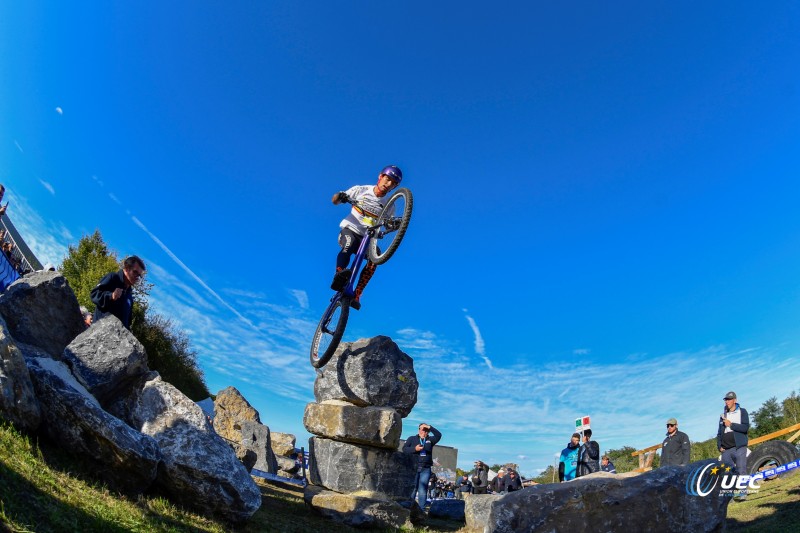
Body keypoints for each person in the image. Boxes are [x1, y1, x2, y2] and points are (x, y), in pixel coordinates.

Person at [331, 165, 403, 310]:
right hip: (350, 230)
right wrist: (340, 197)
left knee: (374, 260)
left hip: (367, 240)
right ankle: (339, 274)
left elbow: (388, 225)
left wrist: (395, 225)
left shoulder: (389, 205)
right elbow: (335, 200)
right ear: (380, 176)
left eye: (392, 183)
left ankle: (357, 293)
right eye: (387, 179)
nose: (387, 184)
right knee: (349, 244)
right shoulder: (361, 190)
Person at [90, 255, 146, 329]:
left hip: (116, 338)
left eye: (139, 275)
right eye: (135, 272)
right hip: (99, 332)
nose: (137, 277)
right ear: (126, 268)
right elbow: (94, 294)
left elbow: (127, 322)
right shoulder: (113, 278)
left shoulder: (129, 296)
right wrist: (111, 296)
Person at [402, 422, 442, 511]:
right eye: (422, 429)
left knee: (423, 490)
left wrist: (429, 427)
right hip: (414, 467)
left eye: (426, 430)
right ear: (419, 430)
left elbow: (439, 435)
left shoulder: (430, 440)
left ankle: (421, 510)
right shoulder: (412, 438)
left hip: (426, 468)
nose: (424, 431)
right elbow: (404, 449)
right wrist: (414, 449)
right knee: (413, 488)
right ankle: (409, 508)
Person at [717, 391, 750, 477]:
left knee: (741, 471)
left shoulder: (742, 412)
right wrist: (719, 445)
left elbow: (745, 427)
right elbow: (719, 432)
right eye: (726, 400)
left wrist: (731, 425)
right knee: (728, 474)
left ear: (734, 400)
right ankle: (732, 490)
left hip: (738, 447)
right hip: (725, 450)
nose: (726, 402)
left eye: (729, 399)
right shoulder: (723, 415)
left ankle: (743, 490)